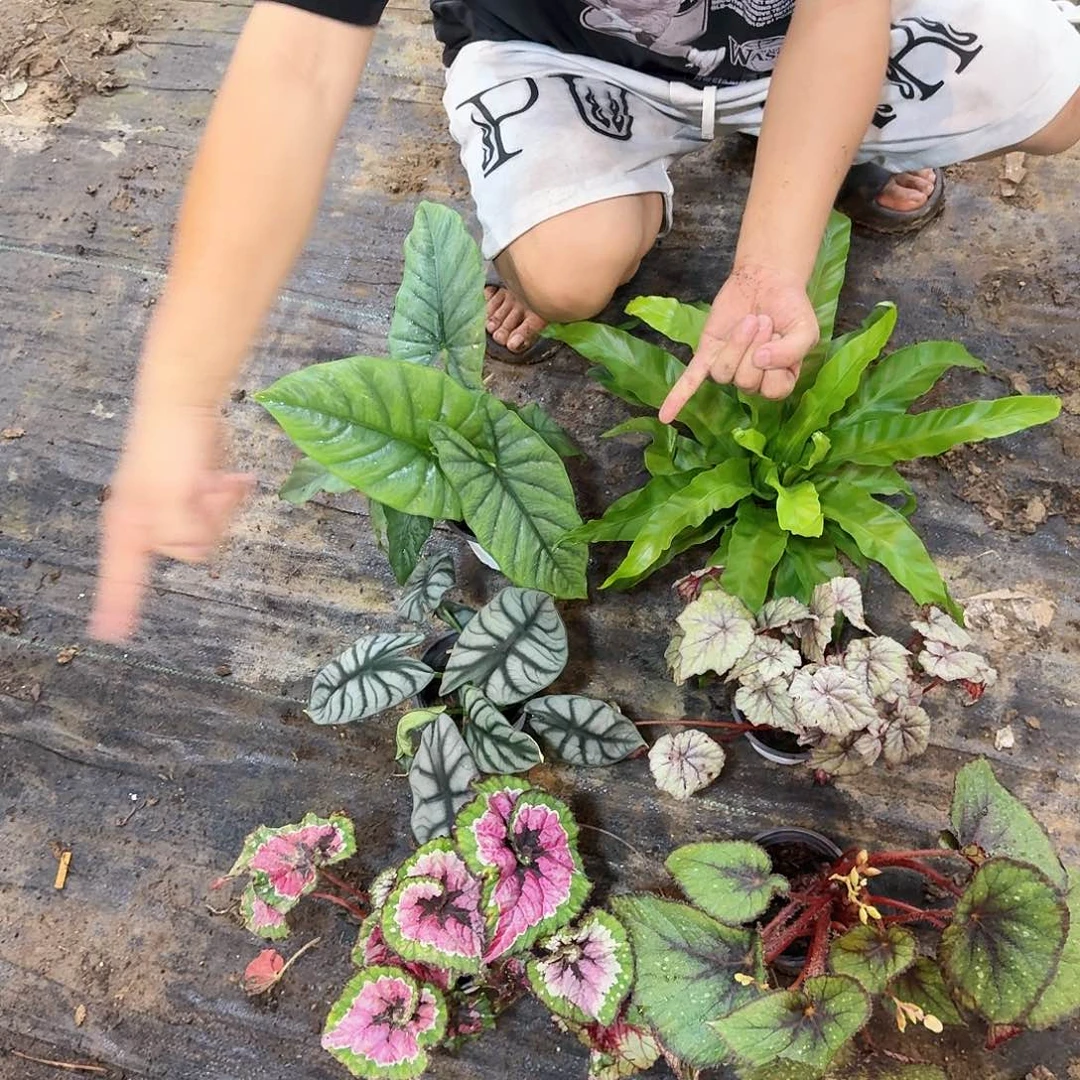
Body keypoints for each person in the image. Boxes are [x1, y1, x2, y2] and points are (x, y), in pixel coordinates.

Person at [90, 0, 1080, 642]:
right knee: (565, 279)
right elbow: (297, 61)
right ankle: (608, 197)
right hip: (571, 56)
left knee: (1057, 99)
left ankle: (825, 141)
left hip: (797, 33)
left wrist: (774, 258)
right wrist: (178, 393)